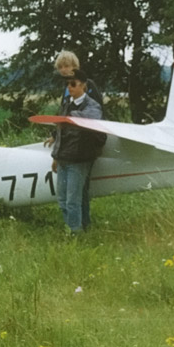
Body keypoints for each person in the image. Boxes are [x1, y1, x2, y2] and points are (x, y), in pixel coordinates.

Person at [50, 68, 106, 234]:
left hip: (79, 159)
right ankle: (75, 228)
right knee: (62, 199)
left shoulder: (92, 106)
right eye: (68, 84)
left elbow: (92, 118)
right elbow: (61, 133)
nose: (69, 88)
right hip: (63, 158)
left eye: (73, 84)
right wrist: (56, 156)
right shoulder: (66, 104)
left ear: (84, 86)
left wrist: (68, 117)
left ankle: (76, 233)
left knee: (73, 201)